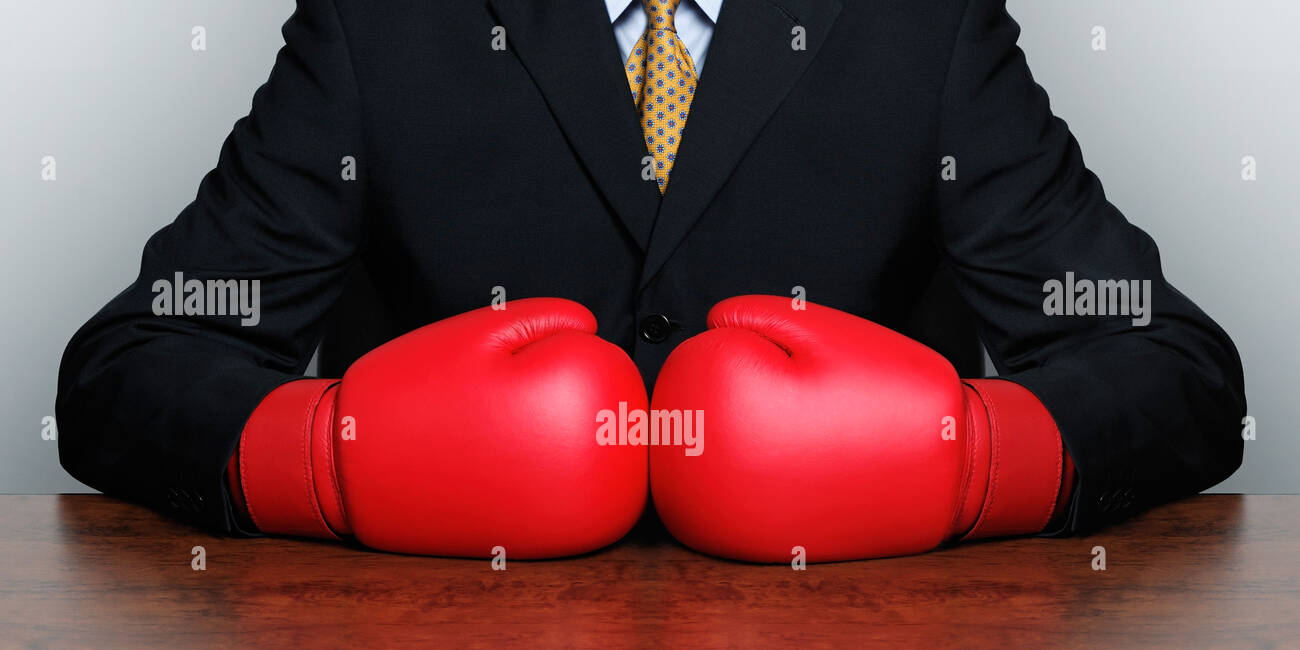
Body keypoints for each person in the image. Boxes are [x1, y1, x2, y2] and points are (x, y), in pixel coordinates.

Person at [56, 0, 1246, 562]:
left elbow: (1180, 367)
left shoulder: (918, 23)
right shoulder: (384, 21)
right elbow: (123, 366)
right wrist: (322, 456)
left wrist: (983, 457)